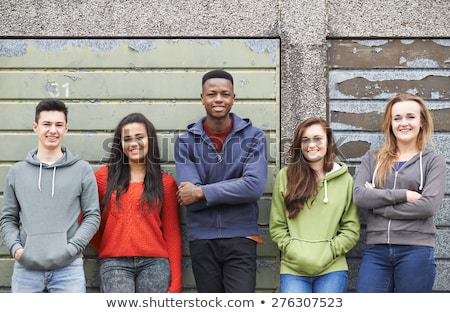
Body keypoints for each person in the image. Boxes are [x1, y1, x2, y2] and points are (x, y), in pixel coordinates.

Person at [174, 69, 268, 293]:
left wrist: (201, 192)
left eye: (225, 94)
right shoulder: (185, 143)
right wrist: (234, 185)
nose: (218, 99)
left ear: (233, 98)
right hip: (201, 238)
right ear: (202, 98)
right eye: (212, 94)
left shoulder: (254, 137)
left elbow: (253, 187)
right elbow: (188, 196)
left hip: (241, 236)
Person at [0, 98, 100, 293]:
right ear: (35, 127)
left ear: (66, 129)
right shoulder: (17, 172)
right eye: (46, 124)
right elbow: (8, 218)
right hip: (26, 270)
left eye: (58, 125)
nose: (52, 130)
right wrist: (16, 250)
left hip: (69, 270)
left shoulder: (82, 170)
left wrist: (71, 249)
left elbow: (93, 216)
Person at [354, 93, 446, 293]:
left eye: (410, 117)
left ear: (421, 122)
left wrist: (379, 207)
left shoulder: (433, 161)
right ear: (390, 123)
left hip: (416, 251)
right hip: (376, 251)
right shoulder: (373, 158)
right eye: (397, 118)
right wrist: (404, 194)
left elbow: (427, 206)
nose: (404, 123)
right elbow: (360, 196)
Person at [90, 112, 182, 293]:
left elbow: (172, 234)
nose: (133, 143)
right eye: (127, 139)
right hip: (114, 265)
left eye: (140, 137)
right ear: (120, 144)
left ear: (150, 141)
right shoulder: (102, 179)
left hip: (154, 264)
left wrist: (176, 284)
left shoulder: (166, 184)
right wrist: (110, 245)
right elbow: (85, 221)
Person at [269, 117, 360, 293]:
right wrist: (293, 249)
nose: (312, 145)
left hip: (332, 269)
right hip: (293, 269)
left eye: (317, 138)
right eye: (305, 140)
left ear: (328, 142)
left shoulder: (345, 180)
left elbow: (351, 228)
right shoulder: (285, 177)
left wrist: (331, 250)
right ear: (299, 145)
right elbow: (277, 225)